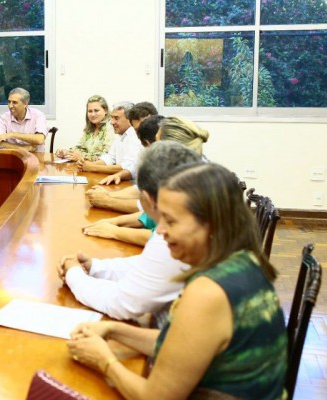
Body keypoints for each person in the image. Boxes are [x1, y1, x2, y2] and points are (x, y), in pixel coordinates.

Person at [66, 162, 287, 399]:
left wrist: (104, 360)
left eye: (171, 222)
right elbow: (180, 344)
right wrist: (113, 329)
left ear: (210, 225)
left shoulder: (208, 293)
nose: (159, 231)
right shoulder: (242, 263)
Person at [57, 142, 200, 320]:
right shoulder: (189, 216)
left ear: (145, 198)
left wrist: (74, 273)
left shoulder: (176, 234)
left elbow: (122, 303)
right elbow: (149, 265)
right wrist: (95, 267)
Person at [86, 115, 208, 214]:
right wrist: (109, 195)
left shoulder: (192, 179)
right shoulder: (178, 166)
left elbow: (155, 212)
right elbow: (143, 191)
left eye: (157, 142)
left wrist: (107, 201)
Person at [82, 115, 166, 246]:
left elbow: (164, 237)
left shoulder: (186, 177)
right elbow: (155, 213)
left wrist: (114, 230)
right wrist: (114, 220)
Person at [77, 102, 142, 179]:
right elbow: (110, 158)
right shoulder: (119, 134)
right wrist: (88, 164)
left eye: (116, 118)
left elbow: (126, 168)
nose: (112, 122)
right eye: (112, 117)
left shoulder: (136, 136)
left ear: (129, 120)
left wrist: (92, 167)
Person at [54, 95, 112, 162]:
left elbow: (106, 155)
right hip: (87, 167)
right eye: (90, 111)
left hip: (101, 169)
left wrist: (82, 156)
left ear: (106, 111)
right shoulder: (89, 128)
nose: (93, 114)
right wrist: (67, 153)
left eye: (96, 110)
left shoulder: (110, 127)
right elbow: (81, 147)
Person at [0, 87, 47, 152]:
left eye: (14, 102)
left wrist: (13, 134)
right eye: (9, 102)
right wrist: (22, 148)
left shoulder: (38, 115)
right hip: (12, 158)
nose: (10, 106)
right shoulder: (4, 117)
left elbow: (40, 139)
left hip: (36, 157)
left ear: (25, 104)